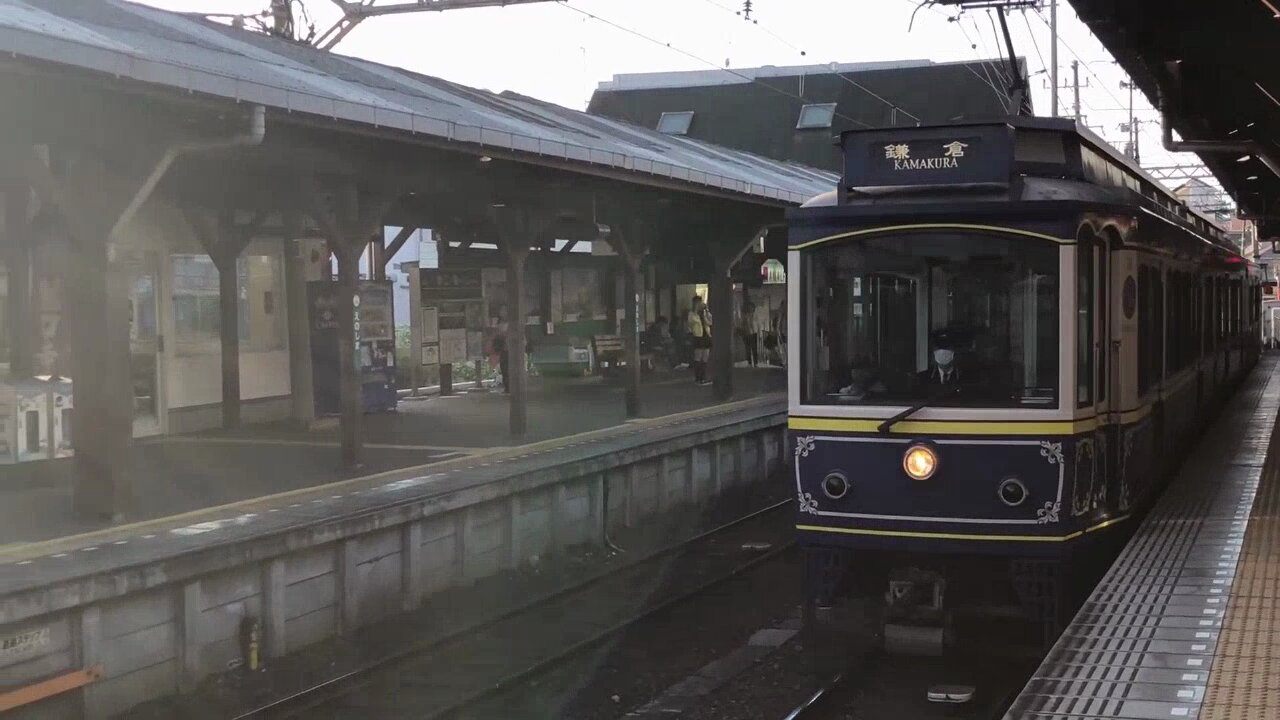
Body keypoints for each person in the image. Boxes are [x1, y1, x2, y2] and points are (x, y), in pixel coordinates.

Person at [687, 295, 712, 385]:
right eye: (697, 303)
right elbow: (690, 323)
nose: (699, 304)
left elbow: (710, 322)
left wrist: (705, 312)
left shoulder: (705, 313)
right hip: (698, 336)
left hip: (706, 335)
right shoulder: (692, 314)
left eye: (700, 302)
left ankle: (703, 377)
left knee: (705, 357)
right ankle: (698, 377)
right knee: (698, 357)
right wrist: (696, 311)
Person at [739, 300, 764, 367]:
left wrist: (760, 334)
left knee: (754, 348)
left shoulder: (755, 315)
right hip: (746, 333)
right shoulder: (744, 315)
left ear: (753, 308)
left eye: (751, 307)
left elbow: (759, 325)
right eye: (749, 307)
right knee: (748, 349)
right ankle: (749, 362)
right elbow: (741, 324)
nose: (750, 309)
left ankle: (755, 363)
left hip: (753, 333)